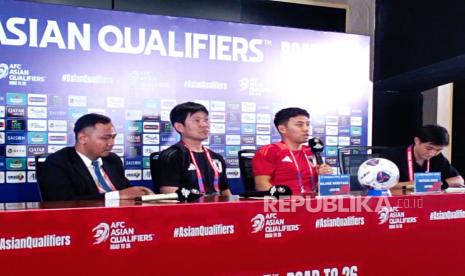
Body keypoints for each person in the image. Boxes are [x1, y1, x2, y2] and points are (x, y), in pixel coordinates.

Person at [39, 113, 153, 201]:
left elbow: (127, 192)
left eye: (113, 137)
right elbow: (63, 202)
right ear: (82, 138)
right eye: (105, 138)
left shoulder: (112, 160)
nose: (111, 143)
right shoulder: (58, 162)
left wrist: (141, 194)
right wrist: (117, 195)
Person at [157, 102, 232, 196]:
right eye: (197, 120)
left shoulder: (216, 158)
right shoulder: (171, 157)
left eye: (206, 120)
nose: (204, 125)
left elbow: (226, 193)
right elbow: (170, 198)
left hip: (217, 209)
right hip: (187, 210)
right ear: (179, 127)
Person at [252, 107, 333, 194]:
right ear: (282, 129)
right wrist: (287, 203)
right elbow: (261, 185)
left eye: (308, 124)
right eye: (299, 125)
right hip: (284, 205)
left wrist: (323, 179)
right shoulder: (270, 151)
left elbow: (316, 188)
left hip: (313, 204)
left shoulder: (311, 152)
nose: (306, 129)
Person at [387, 124, 464, 189]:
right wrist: (417, 185)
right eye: (429, 148)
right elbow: (381, 185)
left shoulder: (438, 157)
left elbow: (459, 180)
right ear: (417, 141)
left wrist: (439, 184)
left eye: (438, 150)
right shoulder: (392, 156)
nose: (432, 153)